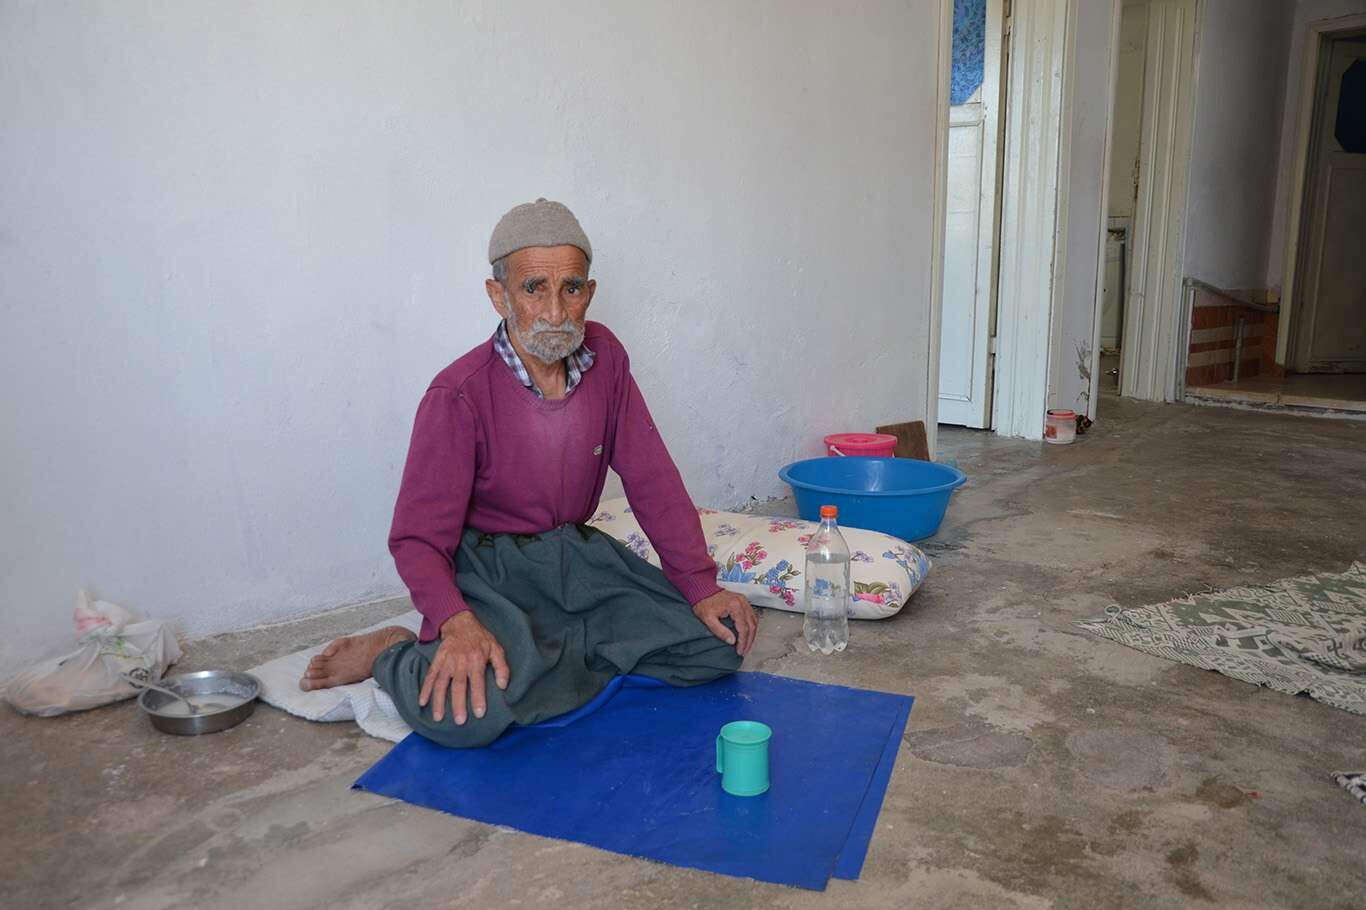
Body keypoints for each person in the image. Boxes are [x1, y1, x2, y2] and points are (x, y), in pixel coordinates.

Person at [299, 198, 759, 746]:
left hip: (574, 556)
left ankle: (554, 655)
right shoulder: (458, 394)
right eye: (533, 288)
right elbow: (417, 539)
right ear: (499, 296)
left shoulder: (607, 359)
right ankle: (394, 651)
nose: (556, 312)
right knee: (467, 715)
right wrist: (455, 622)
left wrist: (700, 586)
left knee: (716, 645)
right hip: (490, 569)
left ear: (590, 292)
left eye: (572, 288)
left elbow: (652, 478)